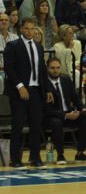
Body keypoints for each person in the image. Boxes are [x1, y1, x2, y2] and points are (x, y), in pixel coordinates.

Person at [4, 17, 52, 169]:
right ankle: (15, 159)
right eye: (27, 28)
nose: (30, 31)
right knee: (17, 125)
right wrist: (20, 86)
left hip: (36, 91)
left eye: (32, 28)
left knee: (36, 125)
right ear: (21, 29)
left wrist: (48, 89)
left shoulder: (38, 46)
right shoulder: (13, 46)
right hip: (19, 92)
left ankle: (35, 157)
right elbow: (9, 68)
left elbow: (42, 70)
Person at [43, 57, 86, 165]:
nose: (55, 70)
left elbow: (75, 97)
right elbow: (46, 110)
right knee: (57, 123)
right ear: (47, 68)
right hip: (52, 116)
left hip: (68, 113)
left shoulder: (66, 80)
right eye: (52, 68)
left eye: (57, 68)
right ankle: (60, 155)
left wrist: (82, 108)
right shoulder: (44, 84)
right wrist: (65, 115)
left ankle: (80, 153)